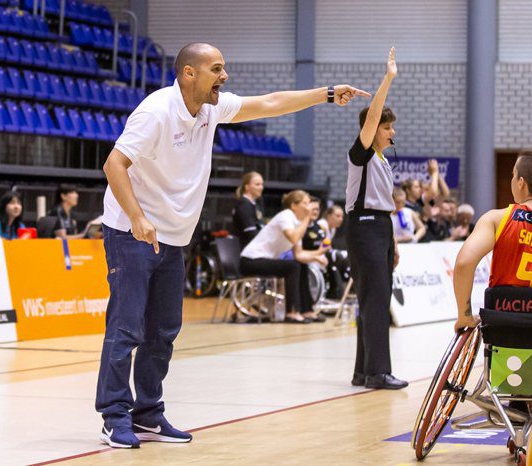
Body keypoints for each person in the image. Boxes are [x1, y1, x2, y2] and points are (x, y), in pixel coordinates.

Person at [97, 41, 369, 448]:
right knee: (127, 327)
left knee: (164, 330)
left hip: (172, 237)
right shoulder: (156, 111)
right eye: (217, 69)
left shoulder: (211, 109)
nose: (225, 77)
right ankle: (115, 415)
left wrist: (327, 94)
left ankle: (149, 413)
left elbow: (271, 102)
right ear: (189, 73)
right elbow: (113, 164)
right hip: (131, 233)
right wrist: (137, 218)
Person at [453, 150, 532, 331]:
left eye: (513, 175)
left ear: (521, 183)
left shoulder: (495, 219)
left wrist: (464, 316)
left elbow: (464, 263)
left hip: (503, 319)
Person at [345, 47, 407, 390]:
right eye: (387, 127)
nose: (391, 132)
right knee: (375, 299)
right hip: (364, 227)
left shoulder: (381, 159)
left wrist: (392, 240)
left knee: (374, 299)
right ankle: (378, 372)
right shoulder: (362, 154)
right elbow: (371, 117)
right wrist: (389, 77)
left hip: (380, 228)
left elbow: (384, 204)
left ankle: (364, 371)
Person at [241, 190, 328, 323]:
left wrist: (317, 255)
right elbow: (293, 237)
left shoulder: (298, 224)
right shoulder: (285, 216)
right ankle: (292, 312)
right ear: (294, 205)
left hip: (266, 260)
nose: (309, 206)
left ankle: (307, 310)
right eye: (305, 203)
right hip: (250, 261)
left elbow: (299, 255)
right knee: (292, 267)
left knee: (300, 265)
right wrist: (307, 218)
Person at [231, 171, 264, 248]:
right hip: (248, 251)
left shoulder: (254, 204)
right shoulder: (243, 204)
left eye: (262, 184)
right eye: (257, 184)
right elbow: (251, 233)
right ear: (247, 187)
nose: (261, 187)